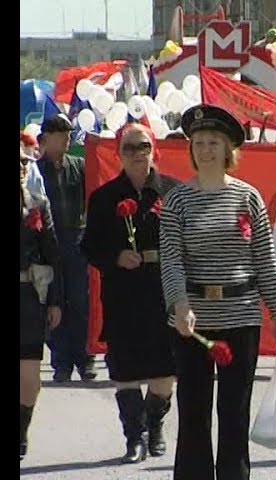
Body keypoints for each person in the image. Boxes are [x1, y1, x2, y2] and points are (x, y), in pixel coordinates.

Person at [159, 104, 276, 480]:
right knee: (194, 412)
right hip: (193, 323)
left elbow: (265, 258)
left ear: (228, 149)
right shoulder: (177, 200)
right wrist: (180, 303)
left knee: (234, 414)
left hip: (241, 316)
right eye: (199, 142)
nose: (205, 149)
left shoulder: (248, 197)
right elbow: (171, 258)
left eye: (213, 142)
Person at [80, 123, 179, 464]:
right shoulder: (104, 197)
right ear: (119, 154)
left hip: (164, 292)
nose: (137, 154)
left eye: (143, 146)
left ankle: (155, 423)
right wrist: (115, 257)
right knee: (124, 369)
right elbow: (89, 247)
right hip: (122, 295)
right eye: (129, 148)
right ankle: (133, 436)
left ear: (154, 149)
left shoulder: (173, 192)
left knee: (166, 370)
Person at [37, 114, 97, 382]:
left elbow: (93, 199)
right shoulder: (36, 171)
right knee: (54, 303)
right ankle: (61, 362)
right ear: (46, 138)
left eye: (68, 133)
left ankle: (85, 359)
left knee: (81, 301)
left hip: (77, 241)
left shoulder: (80, 166)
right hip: (48, 244)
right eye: (60, 134)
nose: (66, 139)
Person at [20, 157, 62, 461]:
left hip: (28, 297)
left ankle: (21, 427)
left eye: (22, 164)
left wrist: (56, 301)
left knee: (29, 378)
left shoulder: (38, 205)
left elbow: (53, 255)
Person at [20, 131, 46, 196]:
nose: (21, 167)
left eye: (24, 162)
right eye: (35, 149)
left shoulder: (32, 166)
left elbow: (41, 200)